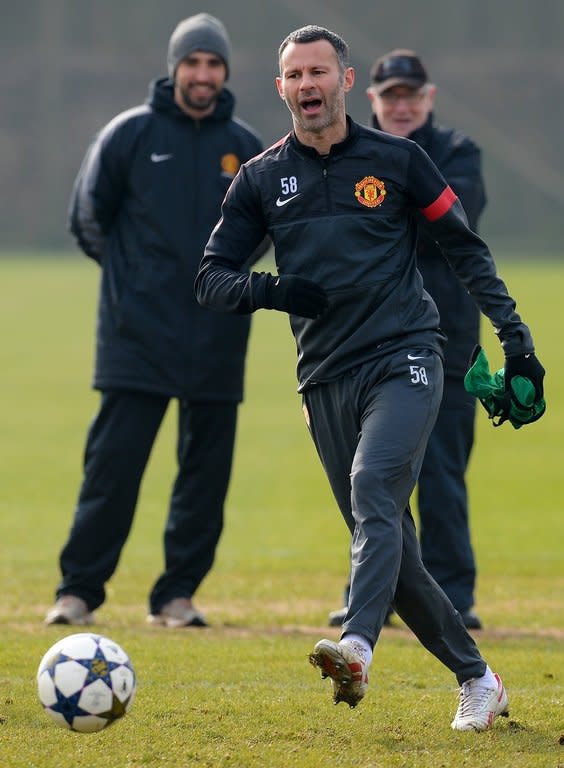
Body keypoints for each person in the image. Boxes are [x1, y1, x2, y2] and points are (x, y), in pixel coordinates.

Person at [195, 25, 545, 730]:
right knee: (387, 538)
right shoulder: (262, 177)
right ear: (281, 88)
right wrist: (273, 292)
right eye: (295, 76)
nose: (308, 86)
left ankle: (356, 644)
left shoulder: (400, 160)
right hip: (324, 377)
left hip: (407, 357)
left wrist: (518, 342)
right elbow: (210, 278)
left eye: (319, 72)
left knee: (371, 488)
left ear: (346, 81)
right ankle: (479, 680)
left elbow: (466, 251)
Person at [45, 13, 266, 628]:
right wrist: (133, 283)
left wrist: (222, 291)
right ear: (174, 69)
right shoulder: (129, 134)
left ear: (225, 73)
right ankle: (78, 591)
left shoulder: (247, 149)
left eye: (213, 64)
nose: (202, 74)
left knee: (204, 479)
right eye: (192, 62)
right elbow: (88, 220)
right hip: (135, 338)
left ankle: (176, 595)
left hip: (218, 337)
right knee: (112, 469)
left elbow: (260, 237)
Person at [328, 49, 486, 631]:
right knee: (372, 473)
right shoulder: (354, 156)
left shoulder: (460, 155)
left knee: (442, 471)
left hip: (447, 342)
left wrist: (381, 224)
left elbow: (451, 224)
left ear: (429, 99)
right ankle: (371, 591)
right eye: (389, 96)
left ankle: (454, 595)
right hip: (370, 342)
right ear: (371, 99)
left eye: (409, 97)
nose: (400, 106)